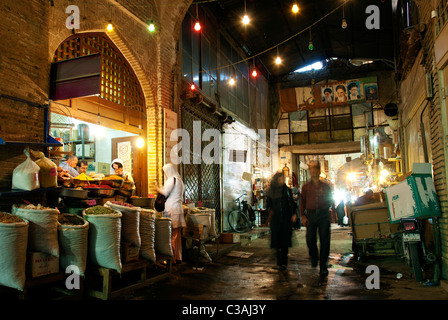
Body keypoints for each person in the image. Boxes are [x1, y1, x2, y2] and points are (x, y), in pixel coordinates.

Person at [300, 161, 333, 277]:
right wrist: (303, 216)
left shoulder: (325, 187)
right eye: (310, 169)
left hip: (323, 215)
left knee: (325, 241)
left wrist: (330, 211)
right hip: (311, 215)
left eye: (315, 168)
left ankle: (323, 266)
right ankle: (314, 256)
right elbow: (302, 201)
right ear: (309, 171)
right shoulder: (306, 187)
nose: (312, 171)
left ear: (319, 171)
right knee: (310, 239)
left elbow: (331, 200)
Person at [266, 172, 297, 270]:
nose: (282, 181)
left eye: (283, 179)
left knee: (284, 241)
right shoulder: (271, 191)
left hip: (286, 219)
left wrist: (294, 214)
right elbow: (269, 205)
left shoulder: (287, 190)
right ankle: (279, 261)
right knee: (276, 241)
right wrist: (270, 215)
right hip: (276, 219)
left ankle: (284, 262)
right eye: (280, 179)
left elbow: (292, 203)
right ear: (276, 180)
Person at [157, 163, 186, 265]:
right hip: (178, 209)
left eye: (165, 172)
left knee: (171, 235)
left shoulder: (171, 180)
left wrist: (156, 188)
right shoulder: (179, 180)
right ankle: (178, 257)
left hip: (171, 210)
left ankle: (170, 259)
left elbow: (165, 192)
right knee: (177, 235)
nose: (165, 175)